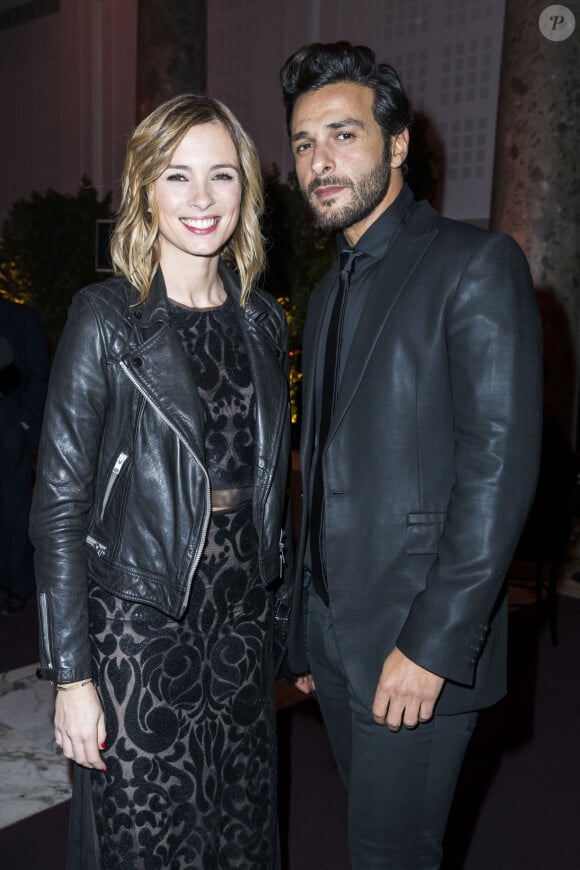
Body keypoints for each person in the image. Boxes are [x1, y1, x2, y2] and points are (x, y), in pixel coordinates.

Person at [280, 41, 543, 869]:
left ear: (397, 144)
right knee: (377, 838)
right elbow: (319, 471)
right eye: (301, 144)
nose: (318, 162)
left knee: (391, 856)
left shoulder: (476, 264)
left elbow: (499, 473)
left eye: (342, 134)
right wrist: (309, 628)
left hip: (418, 637)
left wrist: (432, 644)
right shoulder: (327, 291)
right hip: (335, 636)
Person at [30, 94, 291, 869]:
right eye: (178, 176)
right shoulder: (106, 318)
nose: (203, 199)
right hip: (140, 629)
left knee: (242, 831)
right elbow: (60, 504)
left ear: (247, 188)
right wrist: (71, 675)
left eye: (223, 175)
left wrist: (283, 623)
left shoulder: (263, 321)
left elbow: (273, 478)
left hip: (241, 625)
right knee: (145, 841)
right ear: (146, 189)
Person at [0, 297, 49, 613]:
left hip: (8, 428)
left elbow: (39, 372)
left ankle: (19, 585)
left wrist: (25, 423)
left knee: (13, 510)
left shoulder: (19, 316)